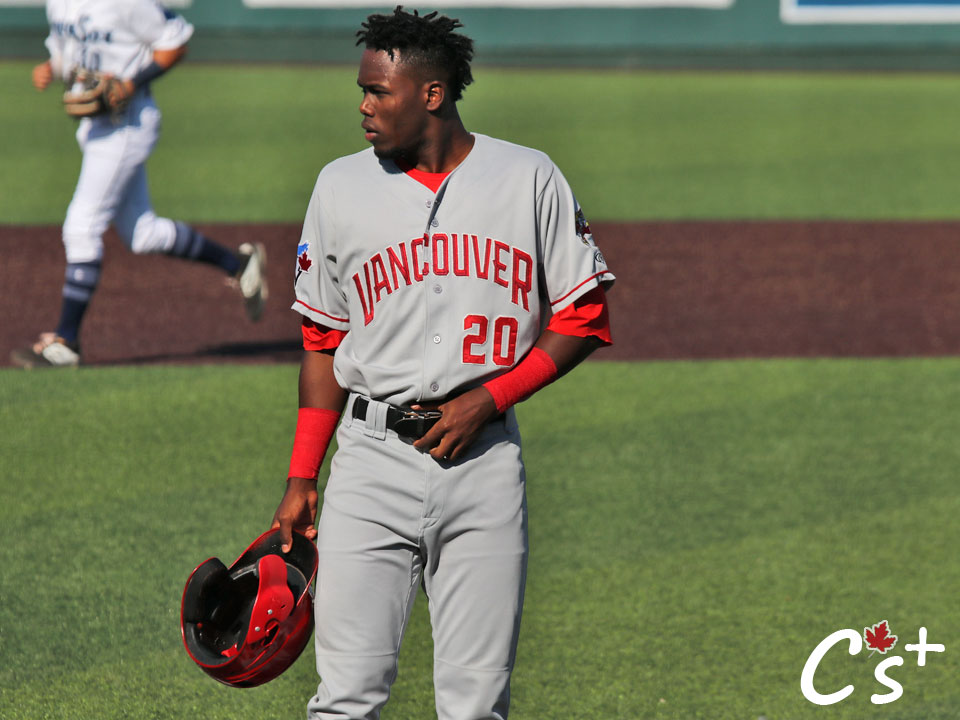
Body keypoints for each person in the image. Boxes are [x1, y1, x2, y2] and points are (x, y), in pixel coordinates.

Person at [270, 7, 614, 719]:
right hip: (367, 466)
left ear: (432, 94)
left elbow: (584, 317)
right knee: (344, 701)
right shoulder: (339, 186)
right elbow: (322, 341)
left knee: (476, 705)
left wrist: (490, 399)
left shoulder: (528, 178)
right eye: (362, 91)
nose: (364, 106)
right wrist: (303, 475)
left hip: (483, 468)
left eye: (379, 92)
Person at [11, 0, 267, 369]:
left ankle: (66, 342)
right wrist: (51, 67)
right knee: (142, 233)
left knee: (81, 227)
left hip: (127, 125)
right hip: (94, 128)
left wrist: (132, 82)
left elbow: (175, 41)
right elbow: (66, 49)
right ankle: (238, 264)